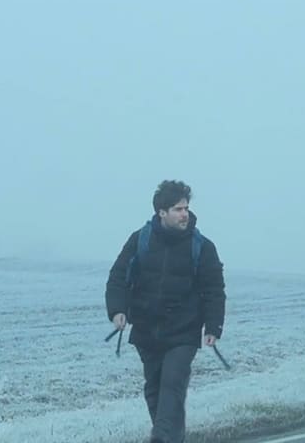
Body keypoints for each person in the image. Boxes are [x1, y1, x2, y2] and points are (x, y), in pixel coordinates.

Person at [106, 180, 226, 443]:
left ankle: (161, 439)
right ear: (161, 212)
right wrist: (117, 311)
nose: (184, 213)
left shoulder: (202, 247)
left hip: (183, 332)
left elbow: (214, 289)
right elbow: (118, 277)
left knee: (172, 385)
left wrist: (213, 326)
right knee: (155, 390)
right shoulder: (141, 240)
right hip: (147, 331)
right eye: (177, 209)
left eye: (186, 208)